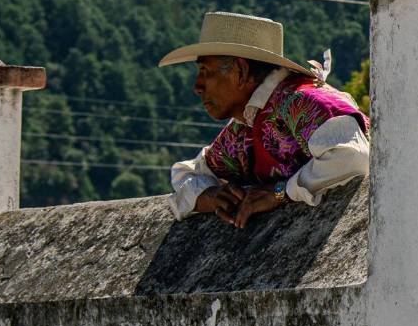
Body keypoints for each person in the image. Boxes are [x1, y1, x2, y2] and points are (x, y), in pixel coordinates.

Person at [158, 11, 370, 226]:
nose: (197, 87)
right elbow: (187, 173)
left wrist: (280, 192)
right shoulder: (243, 128)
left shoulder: (306, 102)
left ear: (240, 71)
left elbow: (352, 158)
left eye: (205, 71)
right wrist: (210, 196)